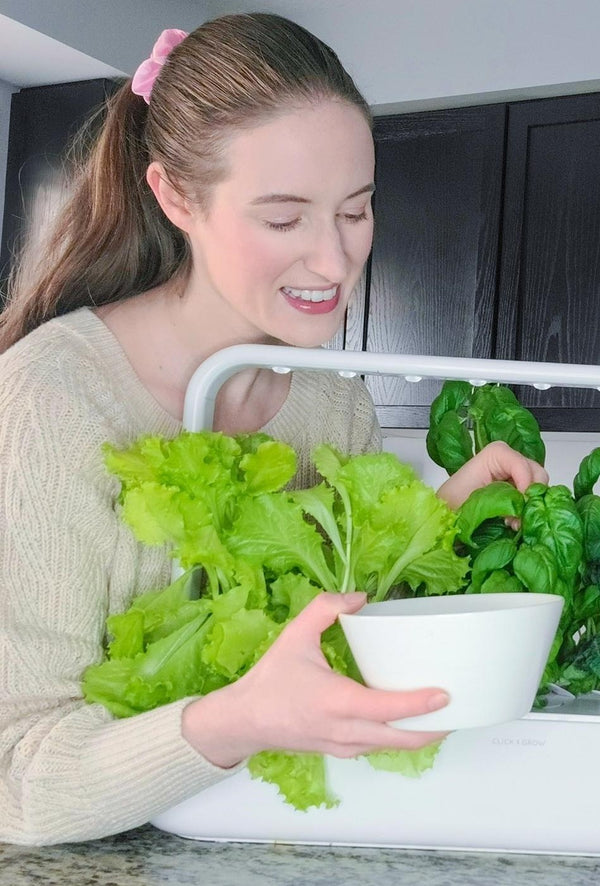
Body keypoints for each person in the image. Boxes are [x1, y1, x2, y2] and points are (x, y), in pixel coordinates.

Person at [0, 13, 547, 846]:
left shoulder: (335, 408)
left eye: (356, 211)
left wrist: (436, 524)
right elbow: (14, 782)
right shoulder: (55, 397)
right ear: (175, 196)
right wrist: (236, 722)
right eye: (284, 219)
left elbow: (319, 643)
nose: (333, 263)